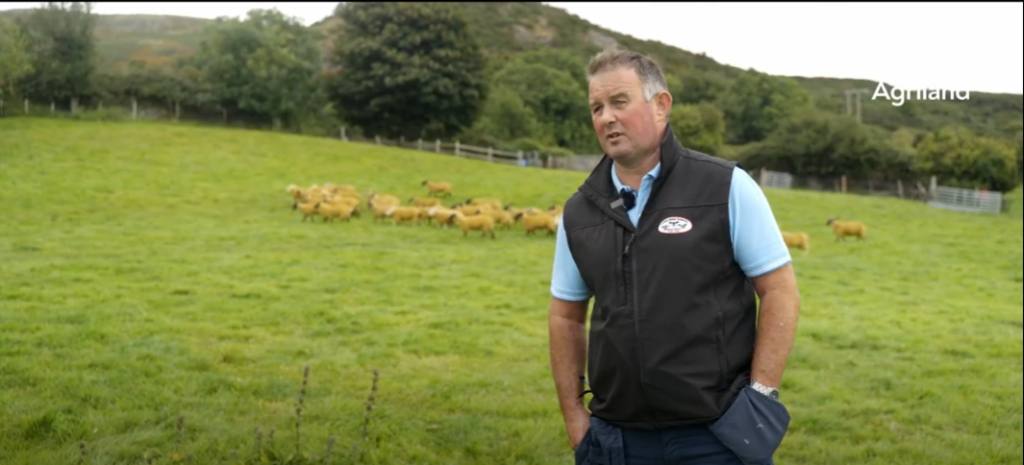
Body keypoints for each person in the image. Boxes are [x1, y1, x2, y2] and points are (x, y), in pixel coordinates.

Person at [548, 48, 801, 465]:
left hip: (716, 436)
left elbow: (780, 292)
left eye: (619, 102)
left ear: (661, 105)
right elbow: (564, 316)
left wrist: (761, 396)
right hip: (616, 442)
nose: (606, 117)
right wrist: (575, 417)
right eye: (596, 107)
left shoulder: (725, 187)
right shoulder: (579, 211)